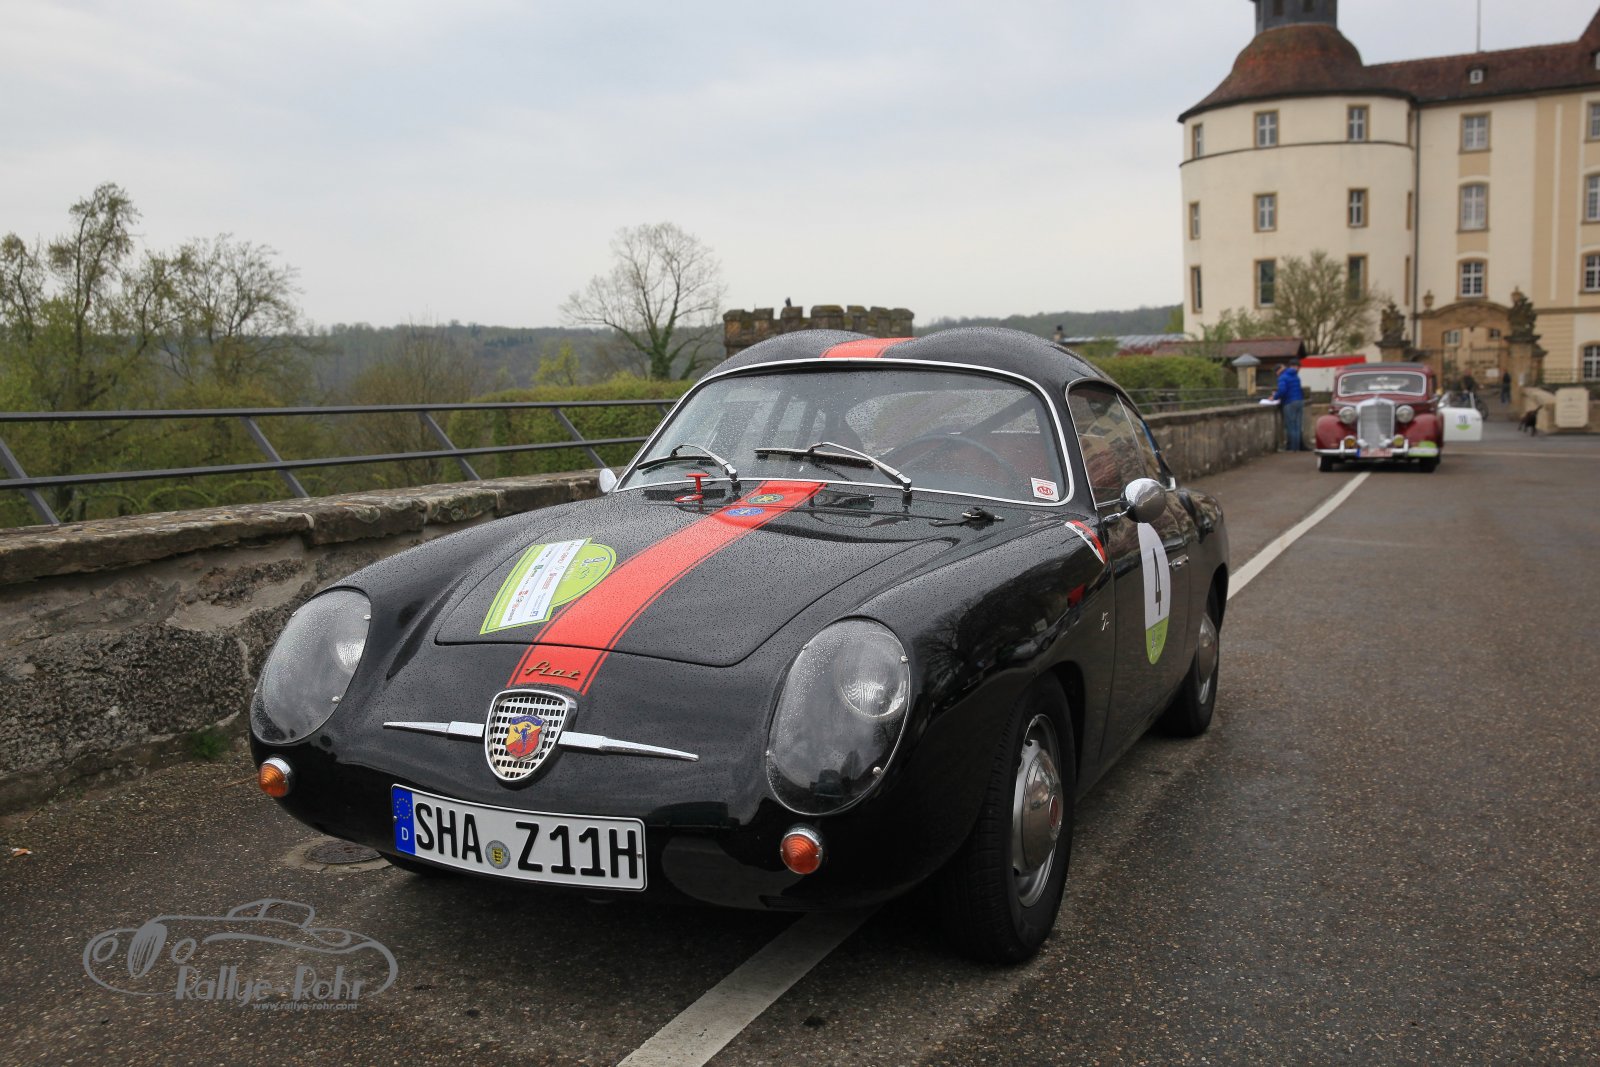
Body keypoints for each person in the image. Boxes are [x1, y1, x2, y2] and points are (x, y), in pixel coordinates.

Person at [1270, 360, 1305, 451]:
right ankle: (1297, 447)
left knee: (1291, 426)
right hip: (1299, 401)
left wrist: (1274, 397)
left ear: (1278, 371)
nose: (1276, 375)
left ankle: (1292, 448)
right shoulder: (1295, 375)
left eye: (1276, 373)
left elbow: (1282, 391)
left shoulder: (1283, 377)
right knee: (1297, 425)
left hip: (1289, 402)